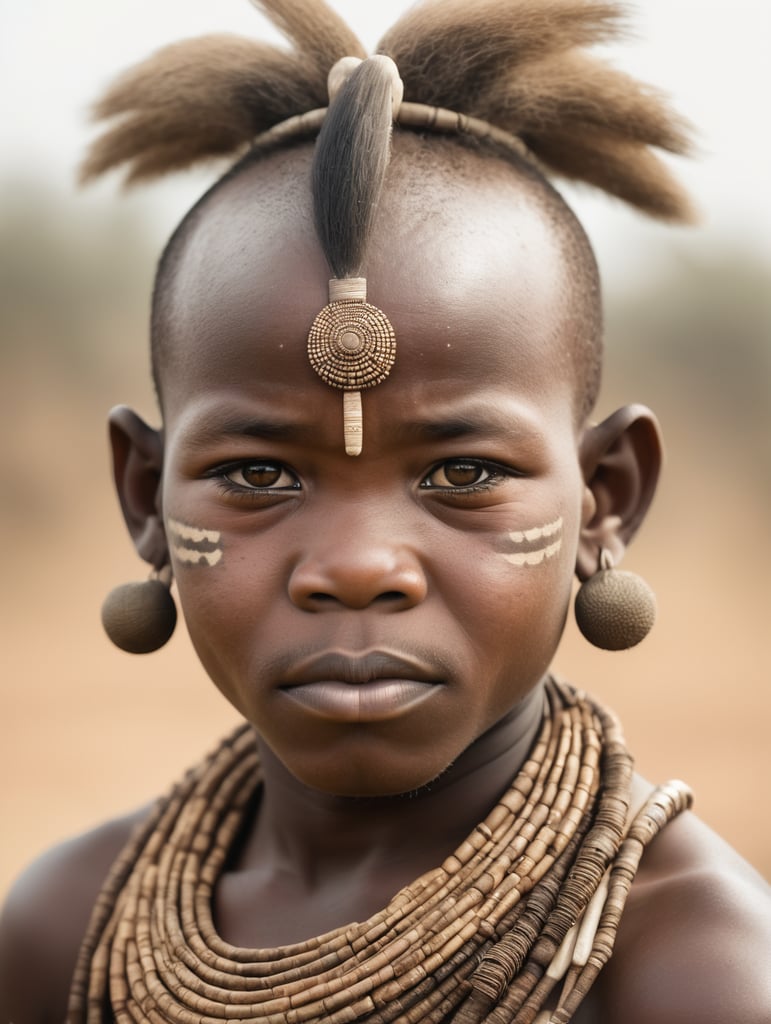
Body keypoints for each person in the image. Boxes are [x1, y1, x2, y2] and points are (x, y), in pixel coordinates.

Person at [1, 0, 769, 1020]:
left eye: (462, 474)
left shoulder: (690, 971)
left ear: (605, 499)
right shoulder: (66, 933)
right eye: (260, 476)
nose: (360, 565)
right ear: (144, 495)